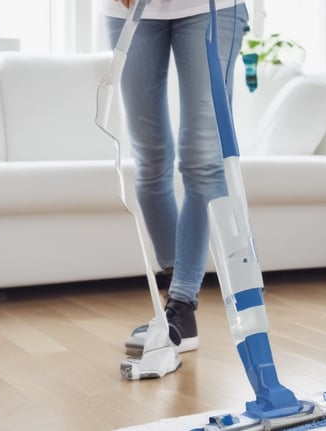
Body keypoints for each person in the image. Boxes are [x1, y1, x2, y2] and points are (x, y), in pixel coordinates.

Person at [100, 0, 249, 354]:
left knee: (202, 158)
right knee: (149, 160)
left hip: (210, 9)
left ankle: (182, 303)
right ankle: (172, 296)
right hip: (129, 10)